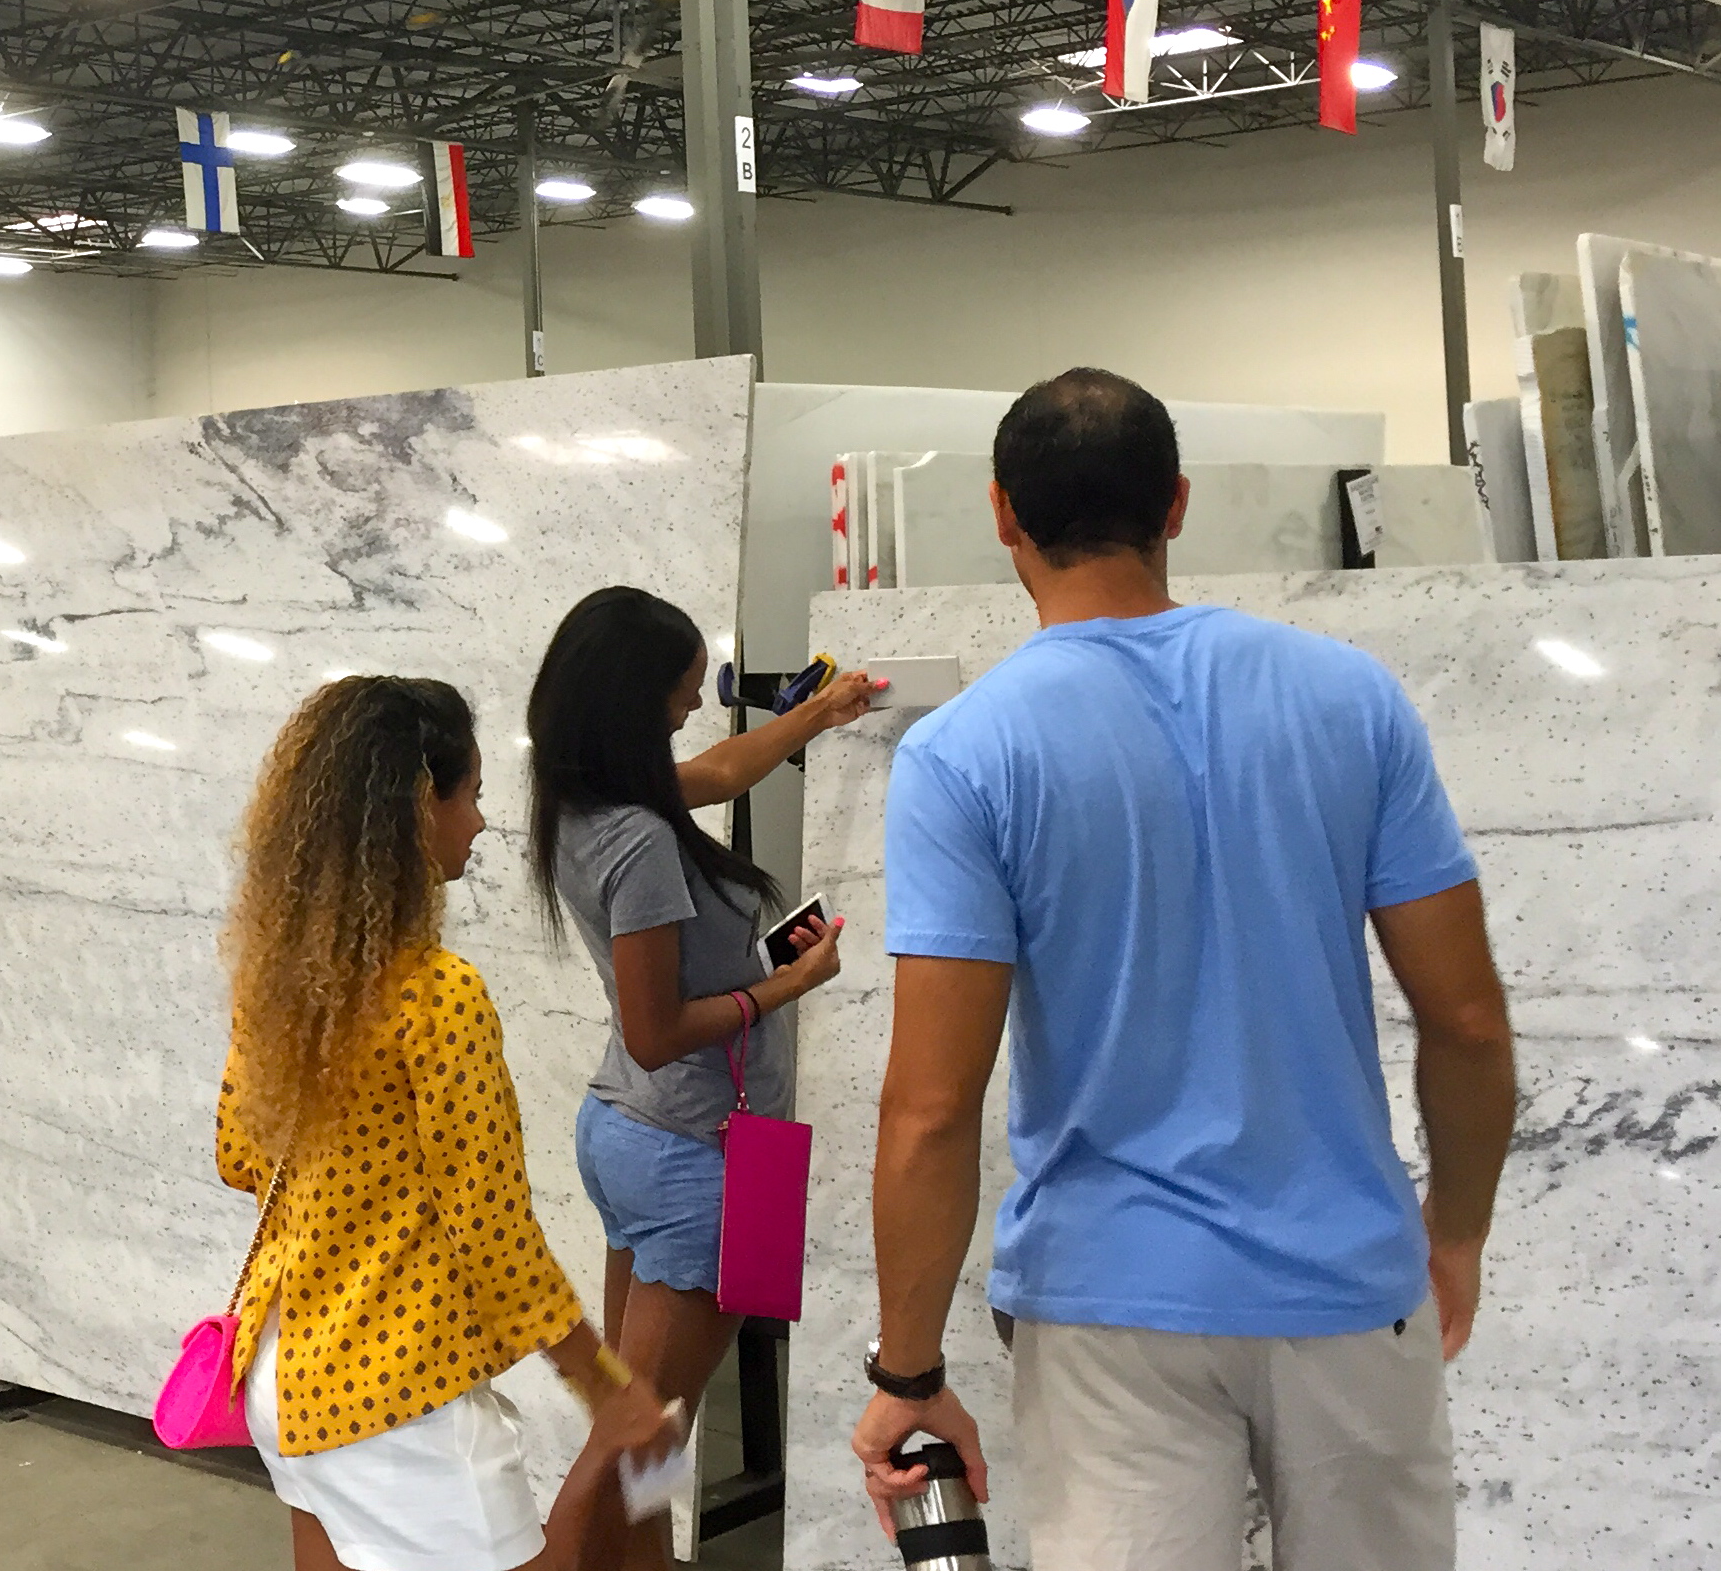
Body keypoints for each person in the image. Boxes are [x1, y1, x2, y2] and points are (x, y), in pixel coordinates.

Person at [850, 369, 1519, 1571]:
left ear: (1001, 514)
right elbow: (1466, 1020)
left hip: (1108, 1305)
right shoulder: (1350, 700)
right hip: (1347, 1284)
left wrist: (907, 1374)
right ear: (1176, 504)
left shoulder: (963, 754)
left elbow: (932, 1108)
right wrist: (1455, 1233)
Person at [217, 674, 673, 1571]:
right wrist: (605, 1384)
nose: (479, 821)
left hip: (281, 1370)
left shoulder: (280, 985)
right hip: (394, 1395)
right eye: (469, 795)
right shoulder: (436, 996)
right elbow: (492, 1232)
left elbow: (239, 1156)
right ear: (416, 807)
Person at [526, 588, 869, 1568]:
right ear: (632, 701)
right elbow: (656, 1032)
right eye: (680, 694)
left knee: (645, 1430)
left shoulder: (586, 800)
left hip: (632, 1137)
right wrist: (787, 984)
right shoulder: (639, 839)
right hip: (689, 1154)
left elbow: (719, 770)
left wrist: (816, 715)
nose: (691, 708)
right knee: (636, 1433)